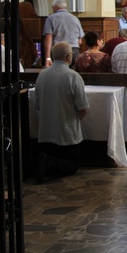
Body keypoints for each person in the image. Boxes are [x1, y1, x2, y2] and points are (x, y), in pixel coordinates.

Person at [33, 42, 90, 184]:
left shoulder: (42, 75)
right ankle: (49, 163)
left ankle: (45, 161)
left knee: (55, 158)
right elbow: (82, 108)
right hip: (67, 134)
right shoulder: (73, 76)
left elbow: (37, 105)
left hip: (46, 134)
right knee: (72, 166)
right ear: (69, 57)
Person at [42, 0, 84, 68]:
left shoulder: (51, 18)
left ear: (55, 7)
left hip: (59, 51)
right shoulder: (75, 18)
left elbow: (48, 38)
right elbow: (80, 41)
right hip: (74, 51)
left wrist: (48, 58)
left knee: (58, 75)